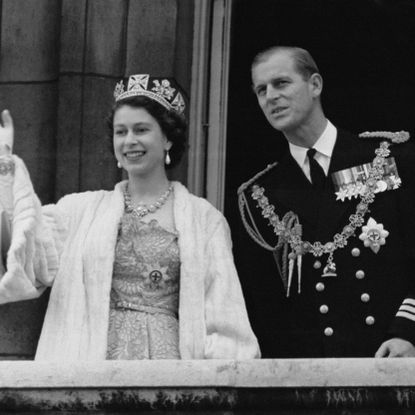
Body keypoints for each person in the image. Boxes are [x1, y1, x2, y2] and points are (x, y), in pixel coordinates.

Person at [0, 74, 260, 361]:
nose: (129, 141)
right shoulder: (77, 211)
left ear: (168, 138)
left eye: (141, 129)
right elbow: (27, 255)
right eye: (120, 132)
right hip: (90, 361)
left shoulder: (204, 220)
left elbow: (224, 314)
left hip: (168, 368)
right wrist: (5, 172)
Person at [237, 46, 415, 358]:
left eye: (281, 83)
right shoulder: (259, 195)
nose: (271, 96)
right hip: (309, 377)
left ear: (315, 84)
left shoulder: (387, 158)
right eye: (261, 90)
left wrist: (408, 332)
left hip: (392, 358)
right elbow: (264, 304)